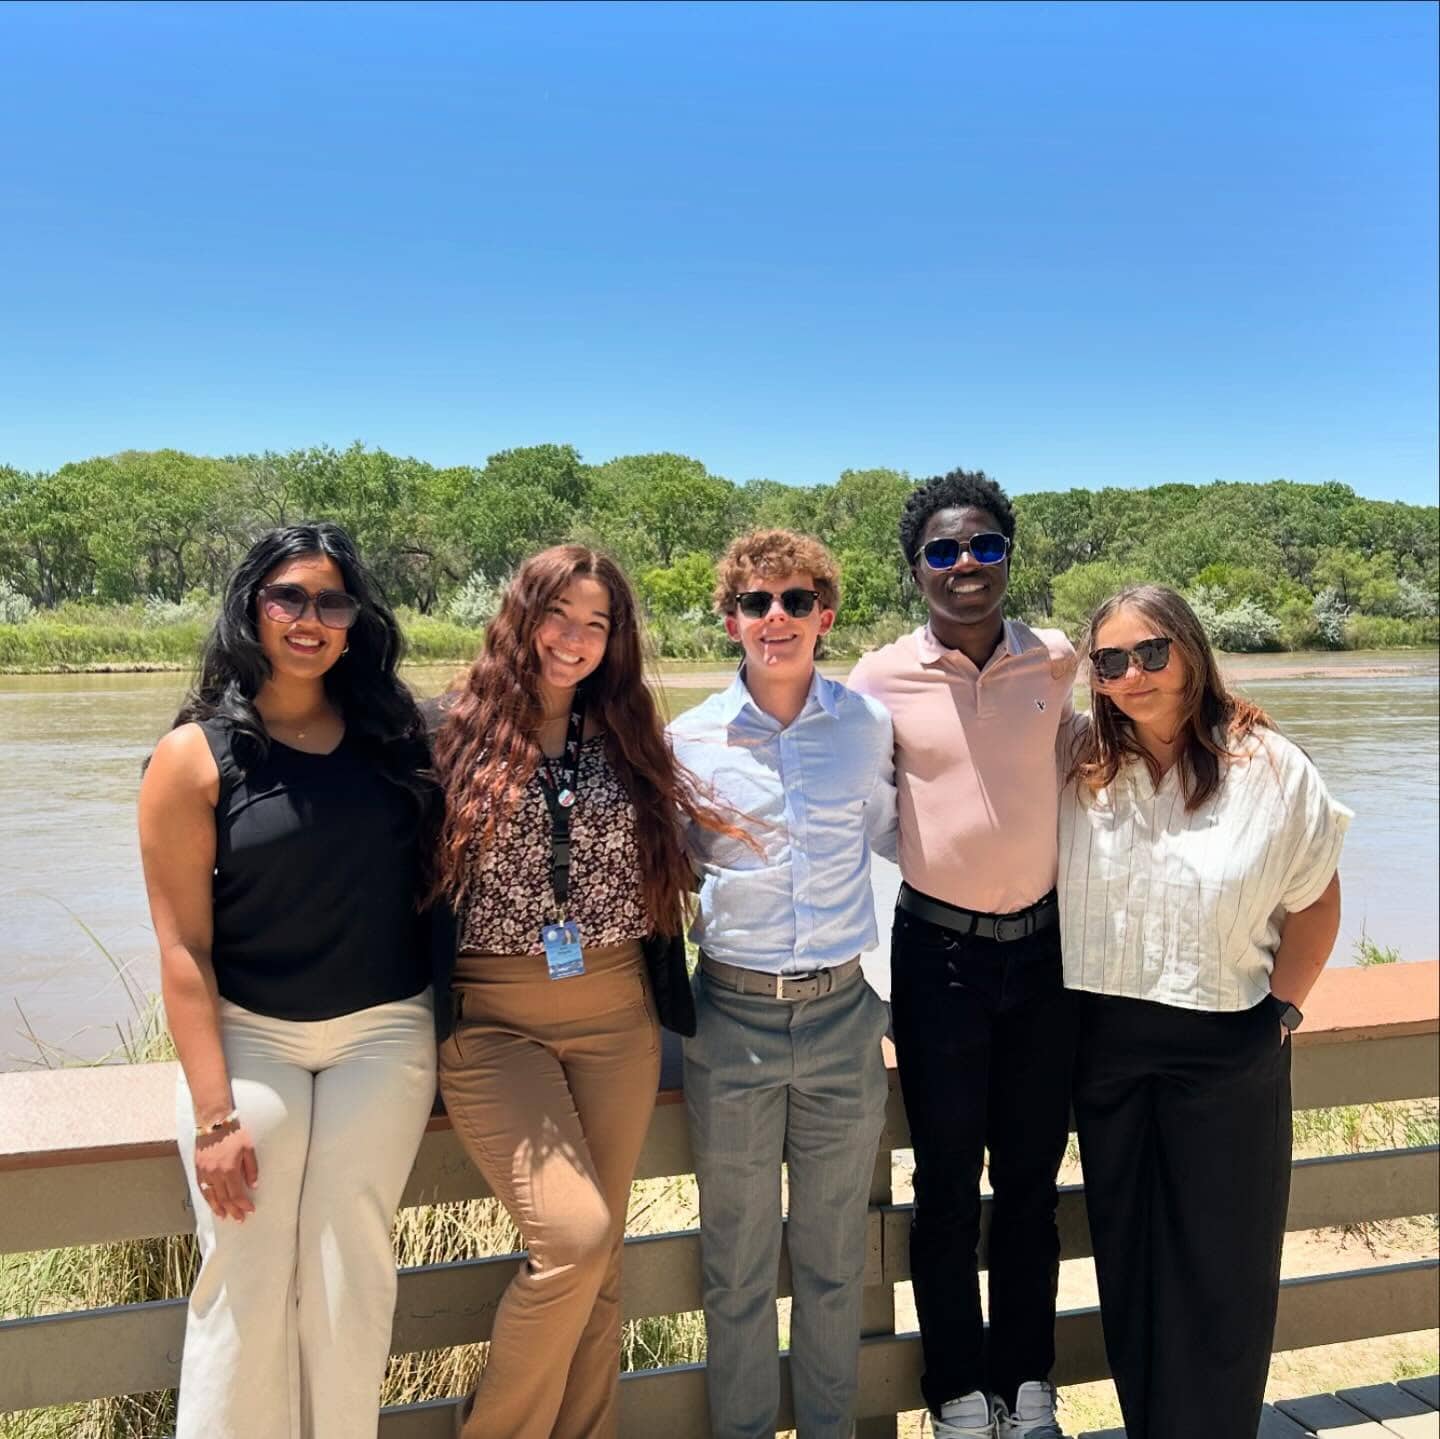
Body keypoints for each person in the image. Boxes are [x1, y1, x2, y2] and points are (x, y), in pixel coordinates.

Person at [428, 544, 740, 1439]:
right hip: (493, 1020)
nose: (572, 639)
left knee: (602, 1263)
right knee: (571, 1235)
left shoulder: (629, 732)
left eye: (595, 624)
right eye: (557, 616)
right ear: (521, 618)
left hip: (618, 1015)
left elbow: (686, 848)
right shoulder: (447, 731)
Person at [137, 523, 438, 1439]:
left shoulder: (396, 737)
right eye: (289, 597)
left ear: (355, 622)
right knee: (244, 1275)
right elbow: (182, 948)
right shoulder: (195, 756)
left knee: (352, 1276)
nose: (310, 619)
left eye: (332, 602)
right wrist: (214, 1116)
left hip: (383, 1033)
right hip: (250, 1035)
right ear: (252, 608)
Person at [1060, 584, 1348, 1439]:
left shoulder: (1271, 768)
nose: (1133, 674)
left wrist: (1281, 1014)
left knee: (1225, 1275)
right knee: (1131, 1267)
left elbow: (1317, 903)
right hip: (1107, 1051)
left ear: (1190, 649)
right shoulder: (1080, 765)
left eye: (1152, 652)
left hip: (1229, 1047)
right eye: (1110, 661)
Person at [848, 469, 1077, 1439]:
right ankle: (957, 1394)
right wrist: (942, 854)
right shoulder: (877, 677)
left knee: (1030, 1180)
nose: (966, 563)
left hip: (1046, 954)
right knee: (944, 1184)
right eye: (943, 550)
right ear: (917, 570)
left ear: (1008, 556)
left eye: (984, 544)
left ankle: (1026, 1387)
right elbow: (865, 809)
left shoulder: (1057, 659)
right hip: (937, 956)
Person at [668, 528, 897, 1439]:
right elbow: (665, 872)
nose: (777, 617)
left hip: (844, 1015)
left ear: (824, 617)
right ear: (731, 619)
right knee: (736, 1267)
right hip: (731, 1020)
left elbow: (897, 838)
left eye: (796, 600)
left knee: (836, 1261)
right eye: (757, 602)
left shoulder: (866, 726)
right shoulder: (686, 738)